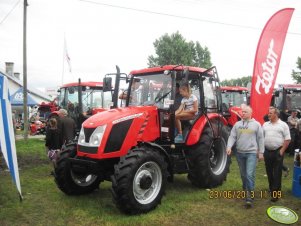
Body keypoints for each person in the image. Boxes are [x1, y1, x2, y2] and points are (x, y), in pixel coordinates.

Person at [226, 105, 264, 208]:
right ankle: (246, 189)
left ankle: (249, 198)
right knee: (243, 175)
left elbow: (260, 138)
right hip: (240, 153)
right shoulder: (237, 124)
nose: (243, 113)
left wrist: (261, 152)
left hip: (251, 153)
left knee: (249, 174)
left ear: (251, 113)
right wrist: (229, 146)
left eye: (245, 112)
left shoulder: (256, 124)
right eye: (242, 112)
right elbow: (232, 136)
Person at [262, 106, 291, 202]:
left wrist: (282, 151)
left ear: (276, 114)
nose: (268, 114)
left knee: (277, 173)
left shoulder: (283, 125)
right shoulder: (265, 124)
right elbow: (261, 137)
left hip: (278, 151)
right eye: (268, 113)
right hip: (267, 152)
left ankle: (276, 194)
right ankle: (272, 189)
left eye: (270, 113)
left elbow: (287, 139)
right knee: (269, 172)